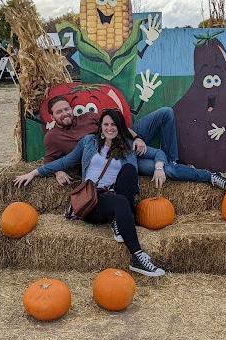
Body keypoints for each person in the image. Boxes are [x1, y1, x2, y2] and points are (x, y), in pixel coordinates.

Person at [14, 109, 169, 277]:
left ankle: (118, 220)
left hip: (114, 196)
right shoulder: (89, 142)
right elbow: (65, 161)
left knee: (129, 170)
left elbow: (159, 153)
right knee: (119, 202)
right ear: (101, 127)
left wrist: (159, 167)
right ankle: (137, 257)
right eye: (106, 124)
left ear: (120, 127)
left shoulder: (129, 145)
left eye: (114, 124)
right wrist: (34, 173)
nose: (110, 128)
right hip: (92, 201)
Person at [44, 96, 226, 190]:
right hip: (120, 160)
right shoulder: (53, 137)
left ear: (71, 108)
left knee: (166, 112)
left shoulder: (90, 117)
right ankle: (209, 176)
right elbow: (50, 161)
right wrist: (58, 171)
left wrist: (137, 138)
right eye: (59, 112)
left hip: (126, 141)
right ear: (52, 116)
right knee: (168, 171)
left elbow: (118, 127)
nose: (65, 113)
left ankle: (172, 159)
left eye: (66, 109)